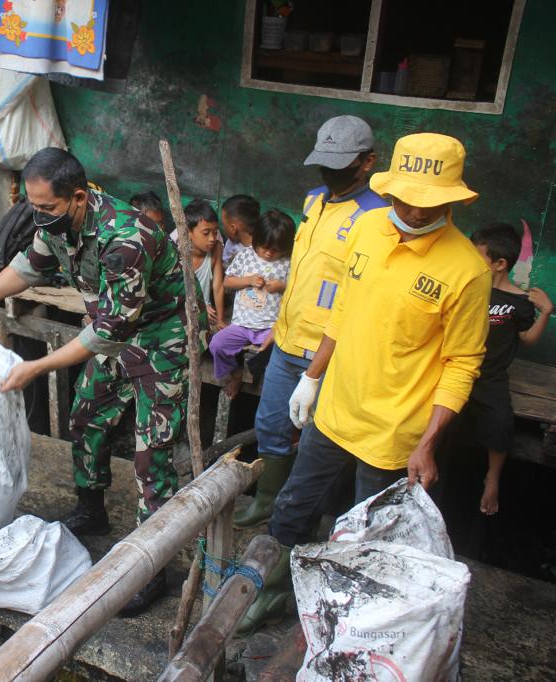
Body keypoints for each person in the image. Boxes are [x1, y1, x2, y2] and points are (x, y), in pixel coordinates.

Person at [240, 132, 492, 633]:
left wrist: (428, 442)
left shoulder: (467, 270)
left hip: (393, 433)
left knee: (365, 535)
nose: (414, 212)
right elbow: (343, 311)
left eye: (428, 203)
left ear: (451, 199)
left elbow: (461, 364)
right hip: (335, 409)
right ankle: (271, 595)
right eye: (404, 198)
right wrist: (311, 379)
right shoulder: (370, 226)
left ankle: (347, 625)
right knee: (292, 506)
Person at [0, 148, 200, 616]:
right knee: (87, 417)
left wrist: (35, 368)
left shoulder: (127, 237)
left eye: (46, 208)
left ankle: (151, 569)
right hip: (112, 328)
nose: (38, 217)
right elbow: (28, 267)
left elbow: (106, 333)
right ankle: (91, 508)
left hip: (161, 336)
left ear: (79, 197)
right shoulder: (54, 224)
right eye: (33, 207)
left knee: (151, 454)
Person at [233, 115, 385, 530]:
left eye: (342, 166)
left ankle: (308, 523)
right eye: (326, 164)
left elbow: (360, 298)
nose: (331, 174)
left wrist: (318, 369)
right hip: (286, 341)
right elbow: (302, 273)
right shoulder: (314, 200)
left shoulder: (380, 217)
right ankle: (268, 501)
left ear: (367, 162)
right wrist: (275, 329)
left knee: (321, 446)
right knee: (270, 425)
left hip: (332, 353)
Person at [466, 224, 552, 514]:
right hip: (459, 370)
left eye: (476, 257)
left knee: (501, 424)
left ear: (500, 264)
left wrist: (546, 312)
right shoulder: (467, 289)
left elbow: (527, 339)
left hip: (491, 377)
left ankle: (492, 478)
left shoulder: (518, 303)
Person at [208, 210, 293, 399]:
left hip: (270, 328)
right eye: (264, 247)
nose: (269, 253)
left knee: (280, 354)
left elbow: (298, 292)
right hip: (241, 325)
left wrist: (282, 286)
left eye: (276, 249)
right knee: (217, 345)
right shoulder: (245, 256)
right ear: (256, 239)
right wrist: (249, 280)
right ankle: (236, 374)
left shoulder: (288, 264)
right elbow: (227, 282)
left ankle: (268, 388)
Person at [214, 194, 260, 328]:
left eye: (224, 224)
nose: (223, 228)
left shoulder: (264, 250)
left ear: (233, 228)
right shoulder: (231, 245)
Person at [183, 198, 222, 324]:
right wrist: (200, 306)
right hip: (182, 310)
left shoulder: (216, 248)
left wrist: (220, 320)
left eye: (215, 232)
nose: (212, 238)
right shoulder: (177, 251)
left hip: (208, 314)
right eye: (206, 233)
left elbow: (218, 286)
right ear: (188, 232)